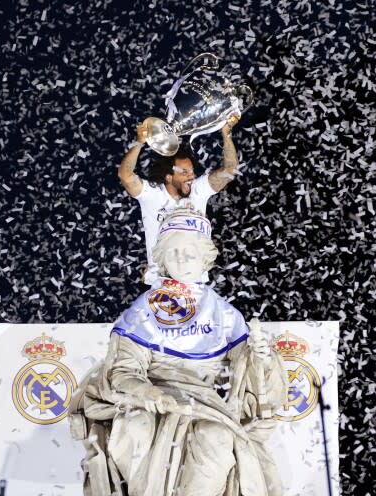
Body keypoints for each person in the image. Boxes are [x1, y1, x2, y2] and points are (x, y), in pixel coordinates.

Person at [69, 208, 286, 496]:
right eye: (174, 253)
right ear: (162, 259)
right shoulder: (143, 311)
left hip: (207, 405)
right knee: (133, 428)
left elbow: (249, 380)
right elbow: (122, 372)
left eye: (191, 253)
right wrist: (150, 395)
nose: (182, 259)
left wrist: (262, 357)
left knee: (216, 437)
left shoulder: (225, 315)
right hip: (152, 402)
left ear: (205, 258)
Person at [118, 115, 240, 284]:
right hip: (161, 285)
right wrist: (139, 143)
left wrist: (226, 133)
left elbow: (230, 169)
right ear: (168, 177)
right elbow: (125, 175)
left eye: (191, 172)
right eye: (184, 172)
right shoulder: (152, 194)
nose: (190, 177)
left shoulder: (199, 190)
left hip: (196, 284)